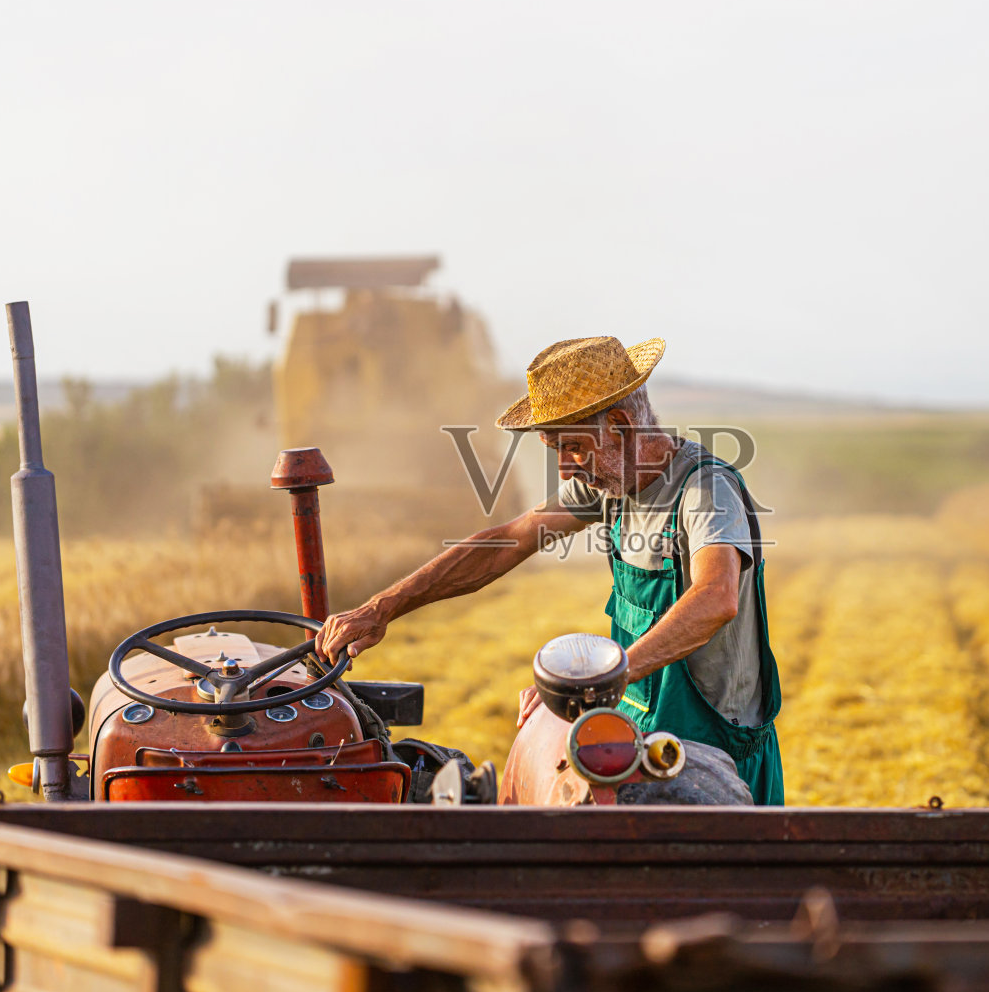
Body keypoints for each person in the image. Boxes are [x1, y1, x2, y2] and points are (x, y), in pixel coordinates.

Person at [317, 335, 784, 805]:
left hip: (717, 754)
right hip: (636, 741)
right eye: (553, 449)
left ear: (620, 426)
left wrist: (602, 681)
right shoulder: (611, 485)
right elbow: (507, 541)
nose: (564, 469)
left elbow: (715, 598)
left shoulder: (705, 490)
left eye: (572, 447)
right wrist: (383, 607)